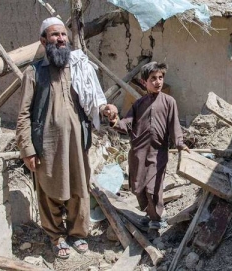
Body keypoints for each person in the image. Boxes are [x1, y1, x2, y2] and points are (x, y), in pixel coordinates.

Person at [16, 17, 118, 259]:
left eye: (63, 35)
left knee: (78, 187)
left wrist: (105, 109)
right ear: (43, 41)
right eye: (54, 35)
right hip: (47, 144)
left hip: (77, 141)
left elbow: (93, 100)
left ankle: (78, 234)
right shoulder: (33, 73)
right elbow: (23, 115)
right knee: (50, 189)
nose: (61, 39)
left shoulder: (79, 68)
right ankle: (55, 235)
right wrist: (27, 149)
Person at [110, 62, 190, 230]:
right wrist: (115, 121)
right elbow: (126, 124)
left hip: (158, 152)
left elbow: (174, 125)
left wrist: (180, 143)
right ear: (144, 82)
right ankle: (149, 213)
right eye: (153, 78)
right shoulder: (139, 104)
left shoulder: (169, 102)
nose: (158, 82)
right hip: (138, 153)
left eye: (160, 78)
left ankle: (157, 217)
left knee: (153, 188)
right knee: (138, 188)